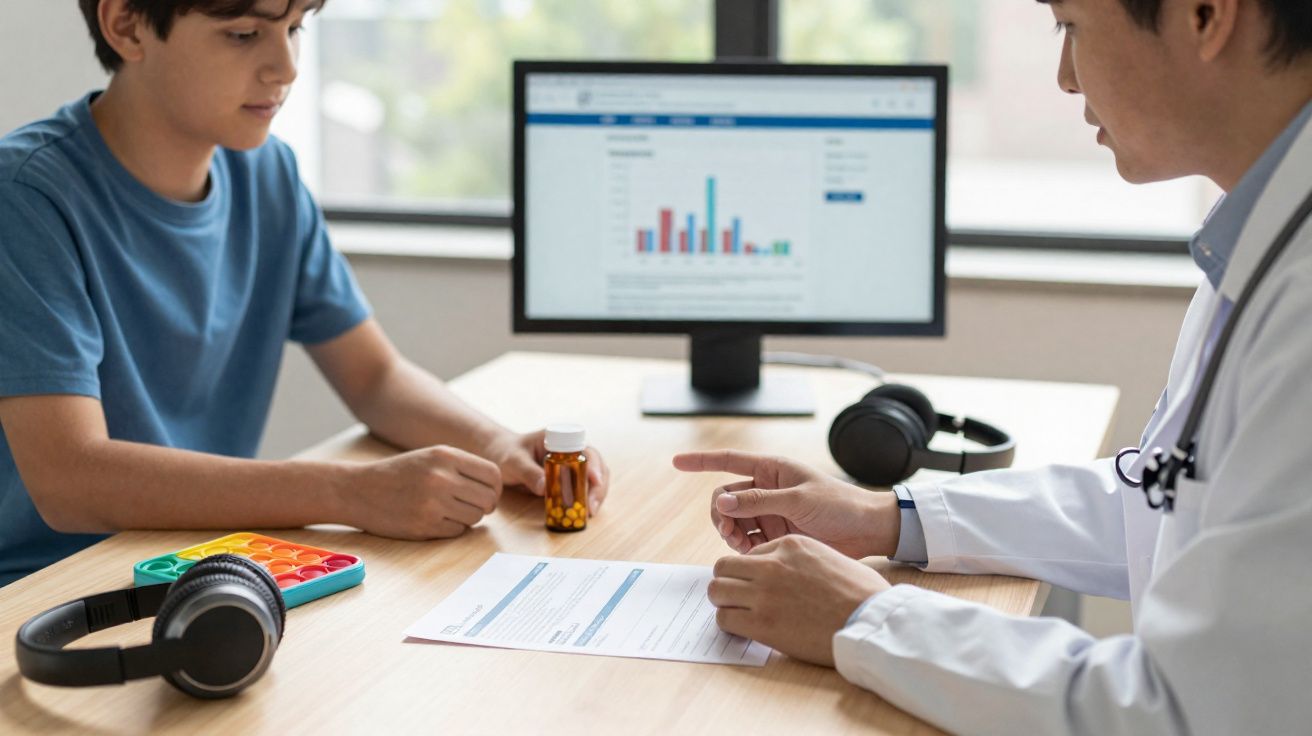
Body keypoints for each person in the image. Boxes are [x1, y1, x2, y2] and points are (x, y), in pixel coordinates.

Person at [675, 0, 1312, 733]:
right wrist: (888, 518)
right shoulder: (1258, 242)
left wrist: (866, 618)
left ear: (1204, 14)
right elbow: (1169, 495)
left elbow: (1186, 711)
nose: (1066, 78)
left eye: (1071, 25)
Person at [0, 0, 609, 588]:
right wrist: (349, 491)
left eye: (294, 28)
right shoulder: (27, 197)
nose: (286, 67)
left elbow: (375, 378)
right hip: (47, 593)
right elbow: (69, 480)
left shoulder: (268, 175)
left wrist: (498, 444)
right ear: (127, 25)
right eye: (244, 34)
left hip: (204, 564)